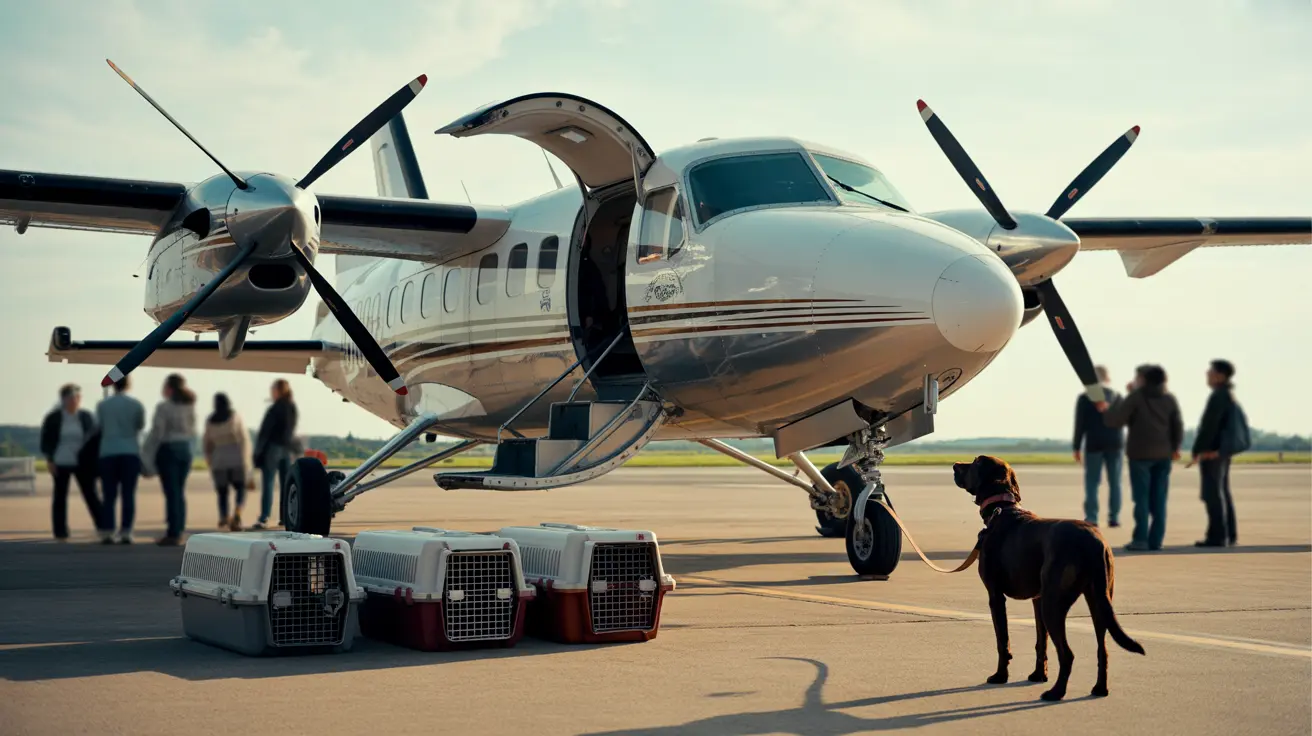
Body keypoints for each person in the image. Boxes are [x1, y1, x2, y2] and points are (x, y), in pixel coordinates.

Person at [1104, 365, 1183, 551]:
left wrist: (1118, 400)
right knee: (1160, 499)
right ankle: (1155, 541)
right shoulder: (1169, 398)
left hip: (1140, 455)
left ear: (1144, 380)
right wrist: (1176, 447)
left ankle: (1140, 539)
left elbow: (1114, 421)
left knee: (1142, 499)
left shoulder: (1137, 397)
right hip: (1164, 454)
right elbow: (1177, 424)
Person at [39, 384, 105, 541]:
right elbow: (46, 440)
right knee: (60, 496)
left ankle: (103, 526)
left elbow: (94, 439)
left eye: (77, 397)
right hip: (61, 461)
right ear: (63, 399)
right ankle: (60, 531)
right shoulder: (54, 418)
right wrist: (50, 459)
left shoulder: (86, 417)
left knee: (91, 494)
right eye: (71, 397)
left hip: (83, 462)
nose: (75, 400)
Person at [1191, 359, 1240, 548]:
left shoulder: (1219, 396)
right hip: (1221, 452)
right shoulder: (1226, 395)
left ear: (1220, 375)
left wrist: (1201, 450)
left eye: (1210, 371)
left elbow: (1210, 428)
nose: (1207, 374)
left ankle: (1218, 536)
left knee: (1213, 493)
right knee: (1222, 492)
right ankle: (1229, 534)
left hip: (1213, 452)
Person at [144, 374, 197, 546]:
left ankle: (173, 533)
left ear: (169, 388)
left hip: (169, 450)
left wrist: (147, 453)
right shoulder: (189, 406)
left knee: (171, 493)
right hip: (185, 450)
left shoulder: (164, 407)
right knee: (179, 492)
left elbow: (157, 432)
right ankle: (179, 529)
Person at [96, 376, 146, 544]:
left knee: (109, 495)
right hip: (130, 451)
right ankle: (126, 531)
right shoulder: (136, 404)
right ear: (128, 384)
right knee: (128, 494)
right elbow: (140, 425)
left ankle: (108, 531)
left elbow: (99, 426)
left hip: (108, 451)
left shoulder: (103, 405)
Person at [1073, 365, 1124, 527]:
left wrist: (1076, 446)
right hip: (1115, 443)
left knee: (1092, 483)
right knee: (1115, 482)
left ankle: (1092, 517)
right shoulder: (1117, 396)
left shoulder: (1085, 398)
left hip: (1094, 444)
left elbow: (1079, 424)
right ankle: (1114, 517)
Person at [252, 378, 298, 530]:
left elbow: (265, 432)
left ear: (278, 391)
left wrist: (258, 452)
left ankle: (264, 517)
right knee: (286, 485)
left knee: (269, 484)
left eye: (273, 389)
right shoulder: (291, 408)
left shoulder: (274, 409)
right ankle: (285, 517)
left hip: (273, 449)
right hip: (287, 449)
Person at [203, 393, 251, 531]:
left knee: (222, 492)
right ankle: (237, 512)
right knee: (241, 488)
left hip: (219, 460)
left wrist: (209, 459)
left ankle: (224, 516)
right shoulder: (234, 417)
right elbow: (244, 439)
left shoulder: (210, 420)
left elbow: (207, 443)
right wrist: (247, 460)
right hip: (236, 458)